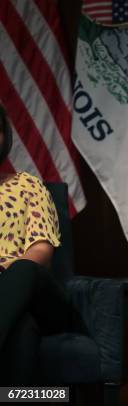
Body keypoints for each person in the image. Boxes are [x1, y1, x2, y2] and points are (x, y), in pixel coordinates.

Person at [0, 104, 72, 385]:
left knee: (24, 269)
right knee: (22, 329)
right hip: (20, 315)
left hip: (36, 292)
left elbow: (41, 250)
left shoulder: (27, 185)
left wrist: (8, 268)